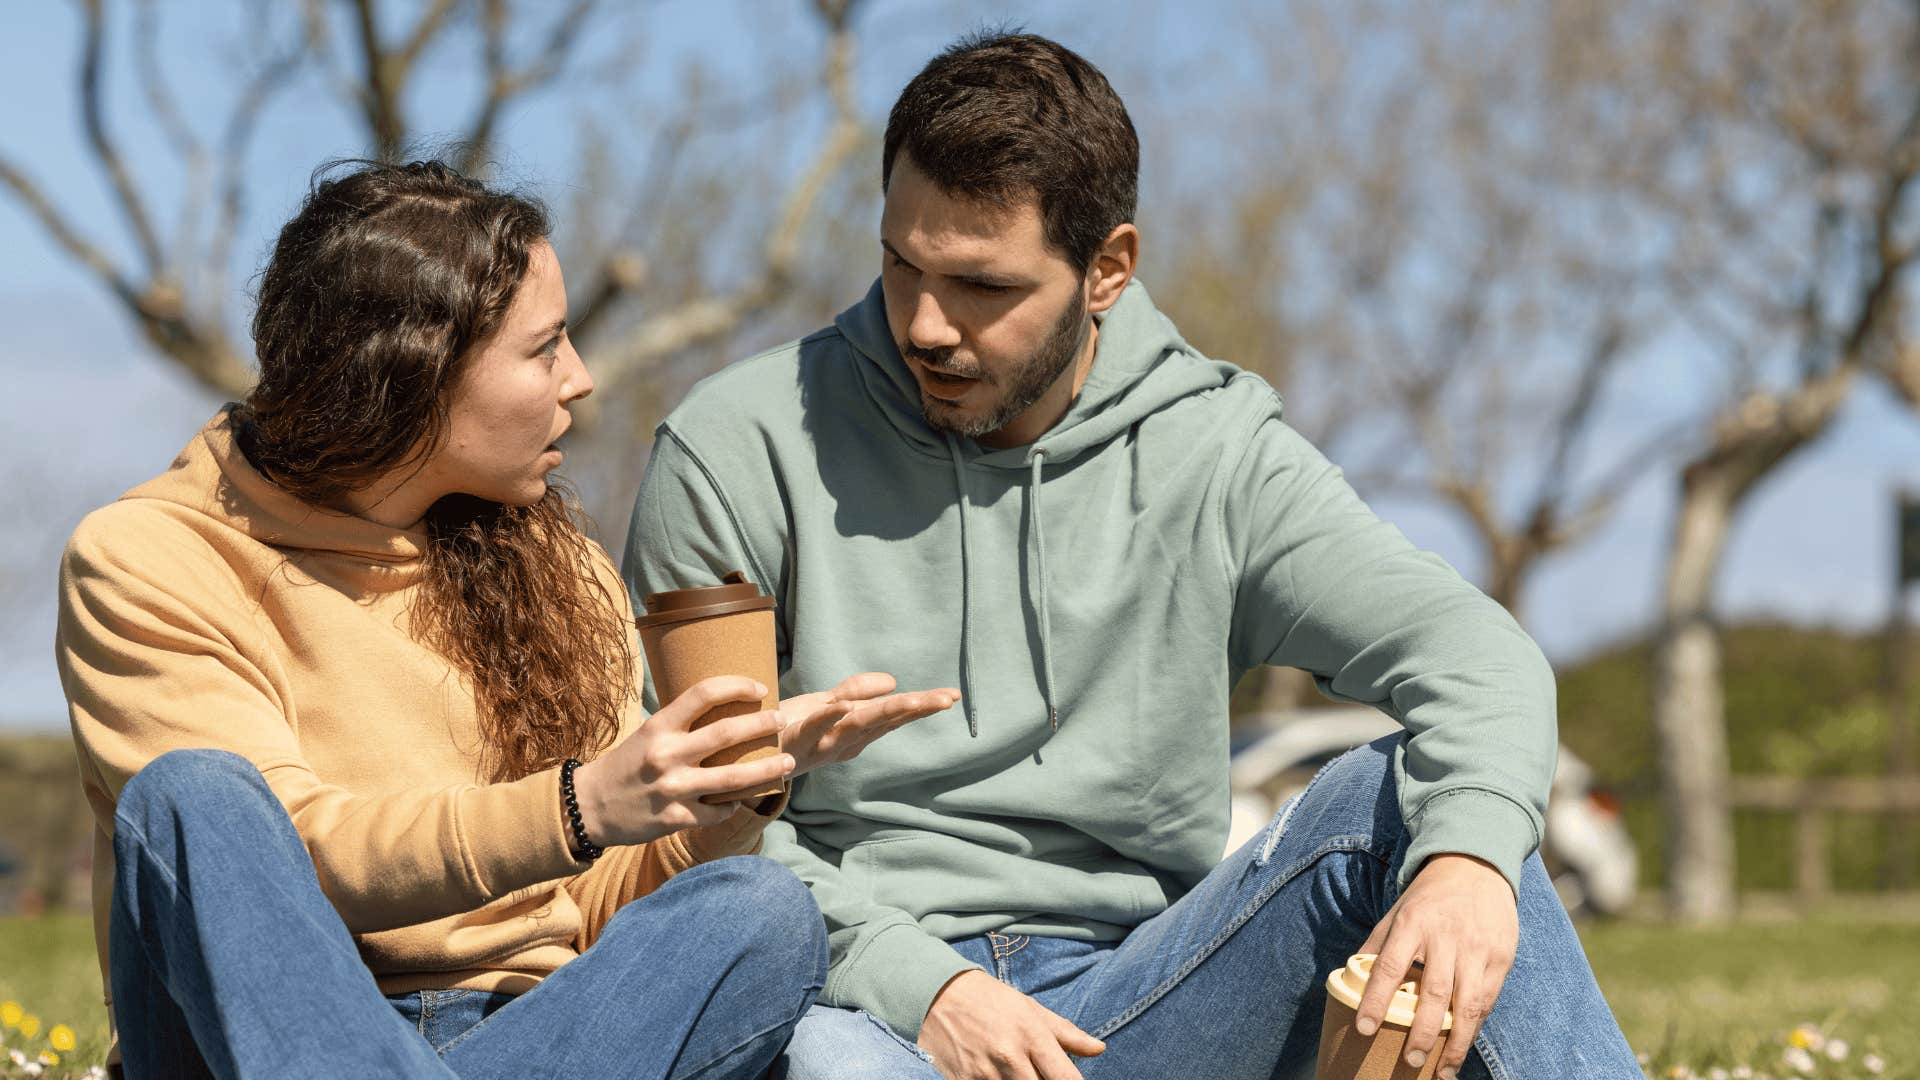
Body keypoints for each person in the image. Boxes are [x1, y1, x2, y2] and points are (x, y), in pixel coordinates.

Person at [625, 32, 1642, 1080]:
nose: (924, 324)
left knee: (1436, 813)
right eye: (900, 263)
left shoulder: (1216, 455)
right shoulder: (733, 449)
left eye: (981, 286)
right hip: (867, 1006)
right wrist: (920, 984)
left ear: (1106, 270)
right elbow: (694, 824)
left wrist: (1470, 860)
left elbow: (1479, 657)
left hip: (1153, 997)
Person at [55, 159, 956, 1079]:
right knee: (192, 797)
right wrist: (580, 802)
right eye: (545, 347)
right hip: (258, 1036)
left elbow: (595, 902)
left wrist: (718, 803)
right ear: (413, 371)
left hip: (538, 1038)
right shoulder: (148, 557)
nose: (581, 378)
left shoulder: (553, 565)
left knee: (761, 909)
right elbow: (284, 873)